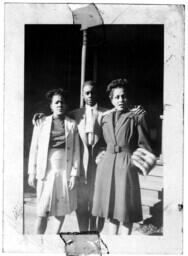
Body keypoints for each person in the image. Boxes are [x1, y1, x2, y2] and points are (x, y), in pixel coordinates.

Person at [92, 78, 156, 235]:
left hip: (126, 164)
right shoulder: (104, 117)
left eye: (124, 96)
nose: (121, 100)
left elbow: (145, 145)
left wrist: (133, 163)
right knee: (112, 212)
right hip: (107, 166)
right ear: (111, 99)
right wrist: (100, 159)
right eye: (117, 97)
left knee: (126, 213)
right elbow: (98, 142)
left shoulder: (137, 116)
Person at [28, 88, 80, 234]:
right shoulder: (41, 122)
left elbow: (76, 151)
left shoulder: (72, 124)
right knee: (42, 211)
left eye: (62, 102)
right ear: (51, 105)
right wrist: (31, 172)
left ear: (66, 105)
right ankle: (37, 243)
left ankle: (53, 238)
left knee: (60, 209)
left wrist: (74, 174)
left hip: (65, 169)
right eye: (56, 102)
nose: (60, 105)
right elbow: (34, 149)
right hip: (46, 170)